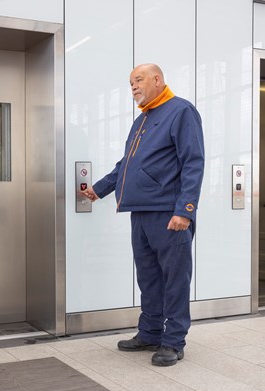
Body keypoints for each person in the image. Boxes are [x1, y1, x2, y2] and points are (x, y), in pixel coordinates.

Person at [82, 64, 204, 366]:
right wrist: (99, 189)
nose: (133, 87)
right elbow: (127, 164)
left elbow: (193, 162)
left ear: (158, 80)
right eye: (130, 83)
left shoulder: (181, 111)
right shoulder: (142, 120)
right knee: (149, 277)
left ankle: (173, 341)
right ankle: (150, 332)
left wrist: (185, 210)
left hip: (169, 213)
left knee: (174, 279)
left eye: (138, 80)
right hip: (140, 211)